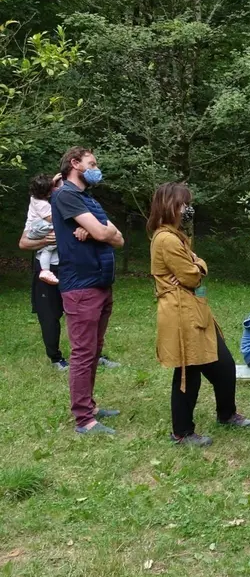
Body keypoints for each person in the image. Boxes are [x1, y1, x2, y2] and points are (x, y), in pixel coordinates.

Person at [148, 182, 250, 446]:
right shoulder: (166, 239)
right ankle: (182, 432)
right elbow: (192, 276)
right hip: (181, 314)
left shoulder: (177, 236)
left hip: (195, 311)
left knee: (224, 365)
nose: (187, 209)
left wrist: (197, 265)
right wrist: (198, 266)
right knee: (188, 373)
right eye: (183, 204)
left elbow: (193, 270)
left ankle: (226, 414)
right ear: (169, 206)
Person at [51, 147, 125, 435]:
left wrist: (98, 230)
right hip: (81, 286)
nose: (96, 168)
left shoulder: (87, 199)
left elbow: (117, 238)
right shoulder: (66, 195)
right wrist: (98, 231)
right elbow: (105, 233)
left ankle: (89, 405)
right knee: (83, 353)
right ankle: (84, 419)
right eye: (91, 163)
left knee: (93, 349)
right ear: (74, 164)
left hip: (100, 283)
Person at [19, 175, 67, 371]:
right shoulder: (40, 208)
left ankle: (92, 354)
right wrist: (47, 241)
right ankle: (56, 359)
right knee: (49, 315)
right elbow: (23, 243)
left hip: (70, 267)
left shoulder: (55, 200)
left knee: (82, 313)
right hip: (47, 269)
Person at [26, 174, 64, 285]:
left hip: (36, 227)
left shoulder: (34, 197)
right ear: (47, 194)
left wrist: (52, 181)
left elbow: (43, 188)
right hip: (38, 228)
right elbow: (53, 219)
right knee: (51, 244)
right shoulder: (43, 205)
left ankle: (45, 270)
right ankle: (45, 271)